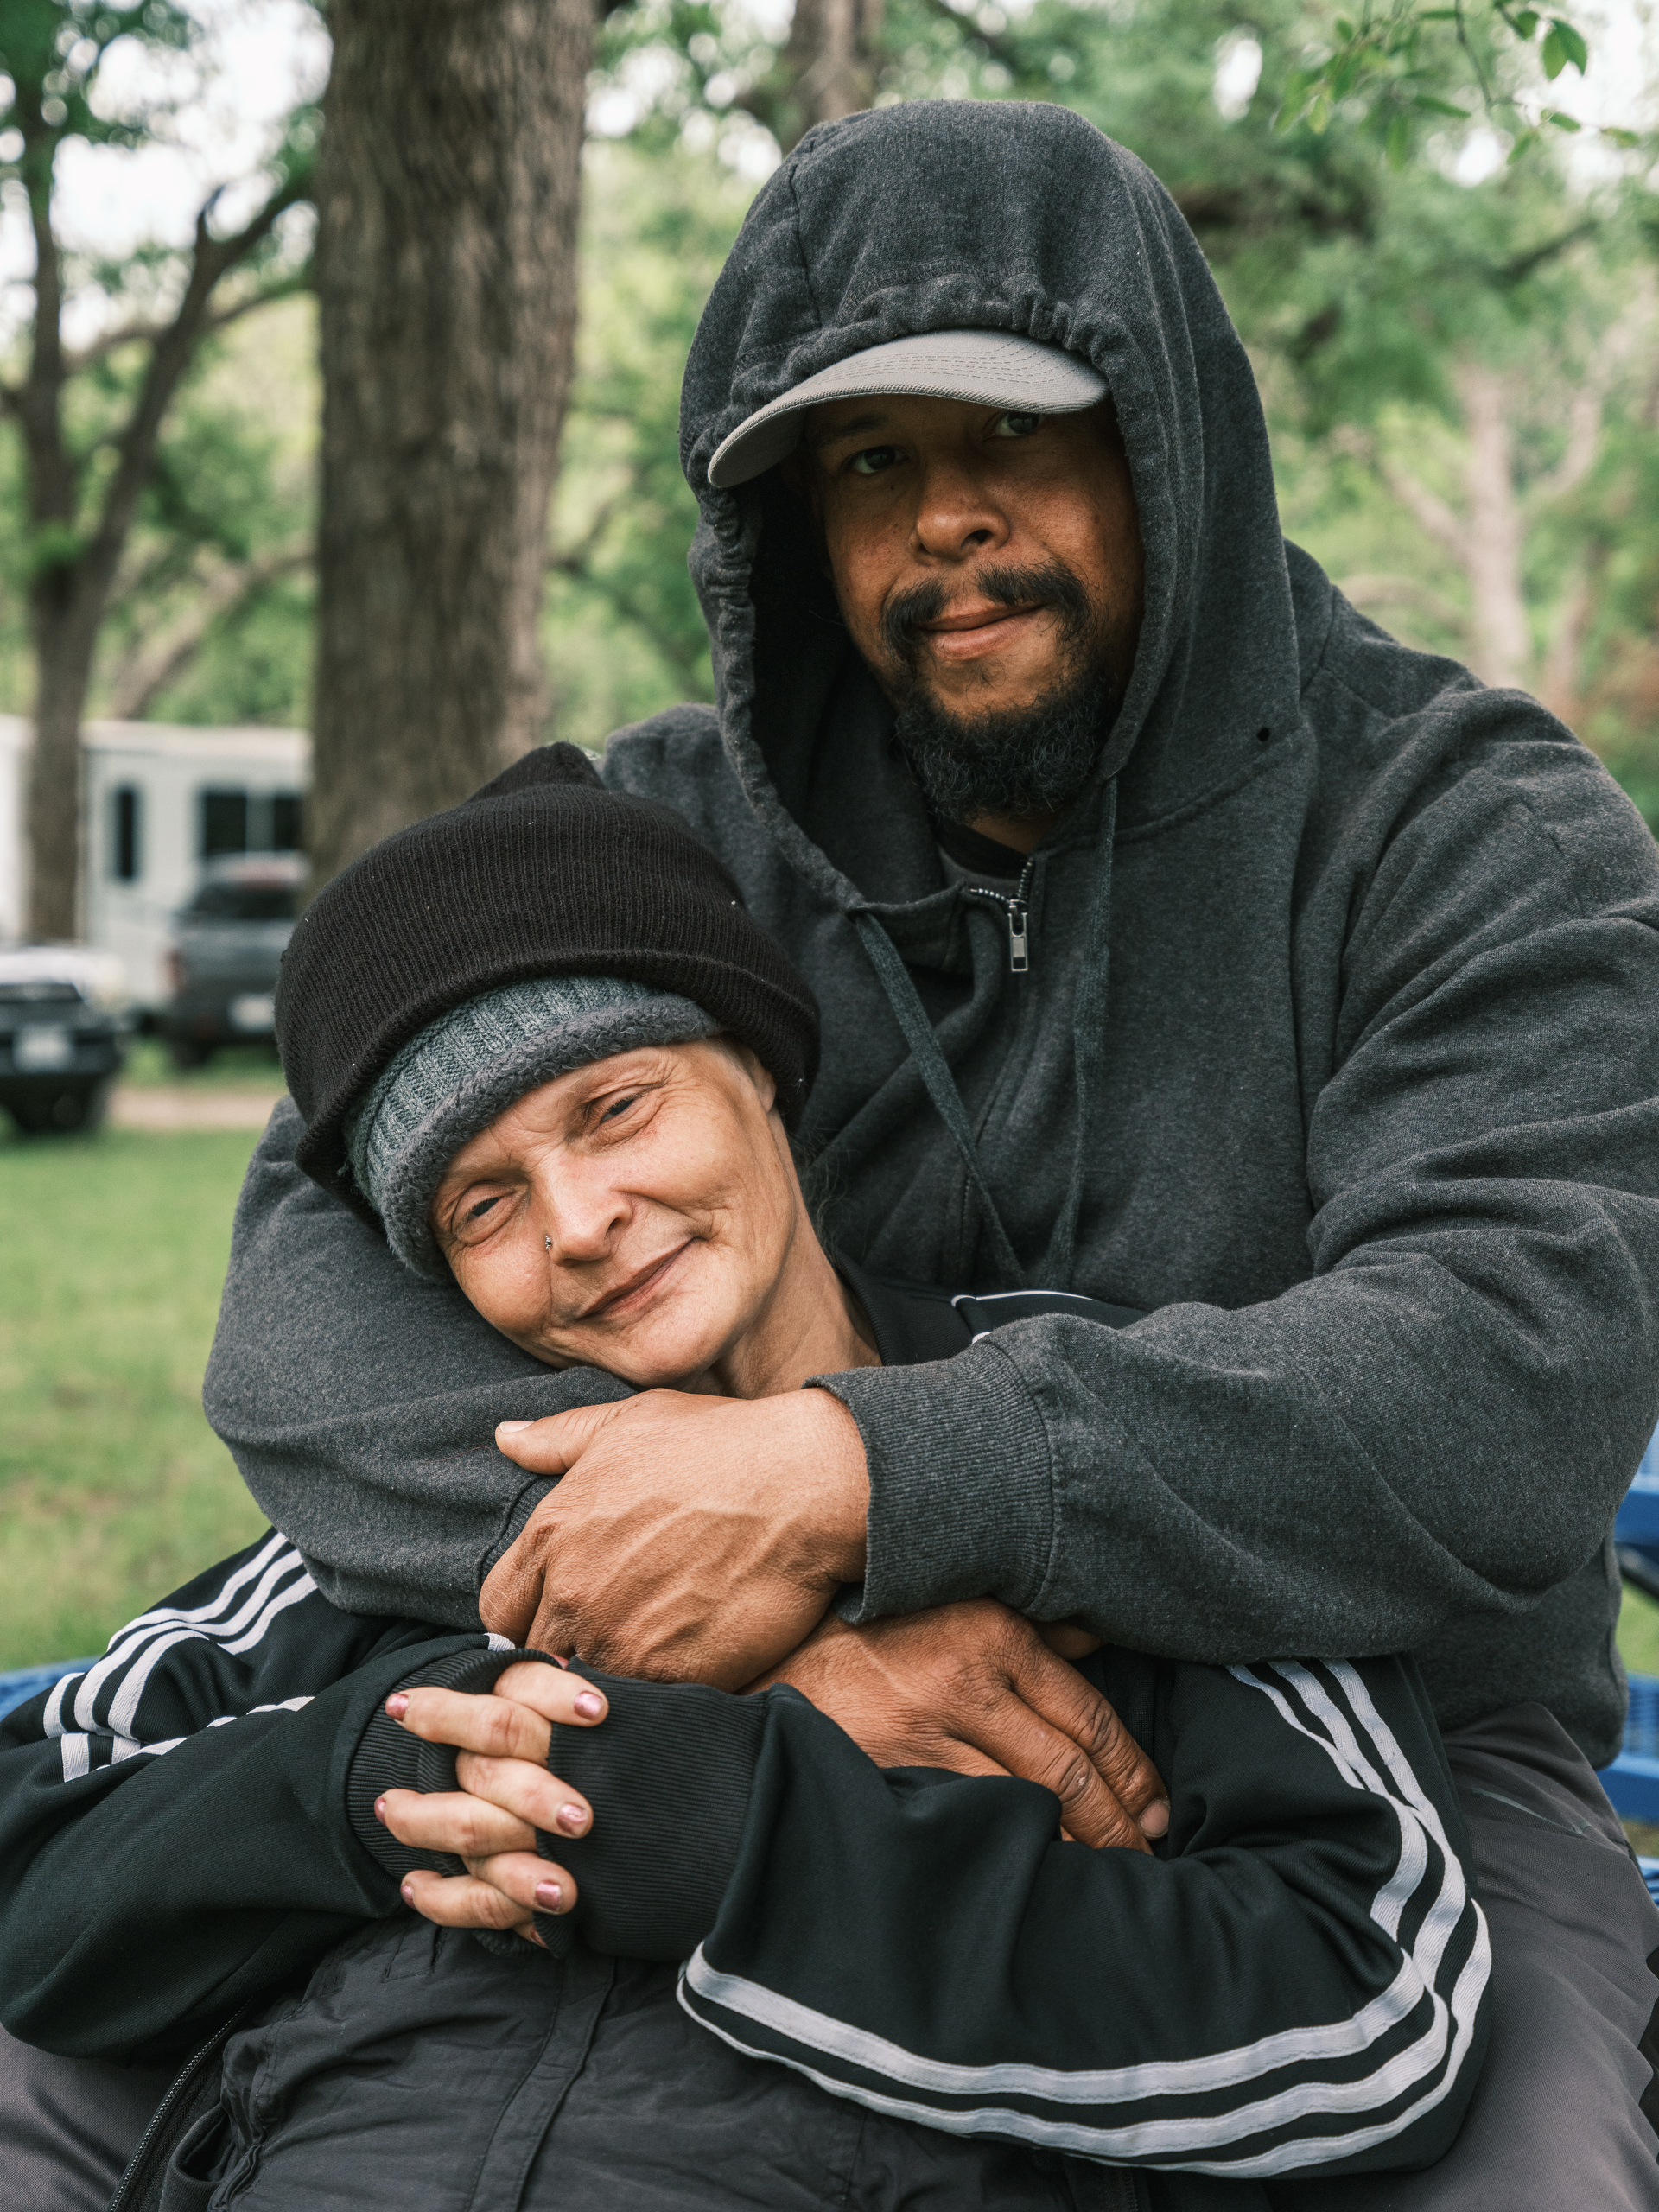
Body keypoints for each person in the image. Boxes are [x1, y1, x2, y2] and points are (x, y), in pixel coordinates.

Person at [199, 99, 1659, 2204]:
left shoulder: (1466, 831)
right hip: (754, 1723)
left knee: (1522, 2174)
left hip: (1390, 1762)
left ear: (1169, 442)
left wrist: (865, 1476)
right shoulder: (667, 829)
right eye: (870, 463)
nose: (944, 522)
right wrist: (769, 1606)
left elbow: (1515, 1368)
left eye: (1013, 437)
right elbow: (299, 1282)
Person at [0, 751, 1491, 2212]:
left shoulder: (1088, 1440)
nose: (582, 1221)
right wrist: (363, 1785)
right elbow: (33, 1835)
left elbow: (1375, 2008)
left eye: (616, 1108)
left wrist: (705, 1822)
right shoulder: (432, 1515)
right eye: (484, 1200)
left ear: (764, 1072)